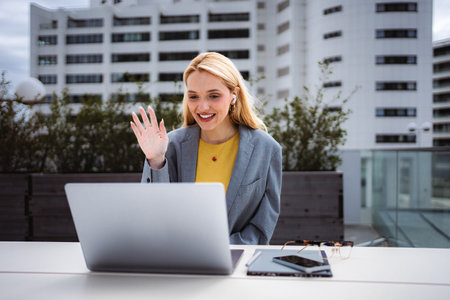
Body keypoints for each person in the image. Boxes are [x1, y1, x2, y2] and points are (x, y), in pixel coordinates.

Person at [130, 52, 282, 245]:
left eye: (214, 96)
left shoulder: (266, 149)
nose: (202, 107)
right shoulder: (171, 146)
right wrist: (156, 159)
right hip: (177, 258)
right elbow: (152, 215)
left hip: (235, 262)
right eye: (194, 96)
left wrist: (220, 250)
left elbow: (261, 228)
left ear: (233, 95)